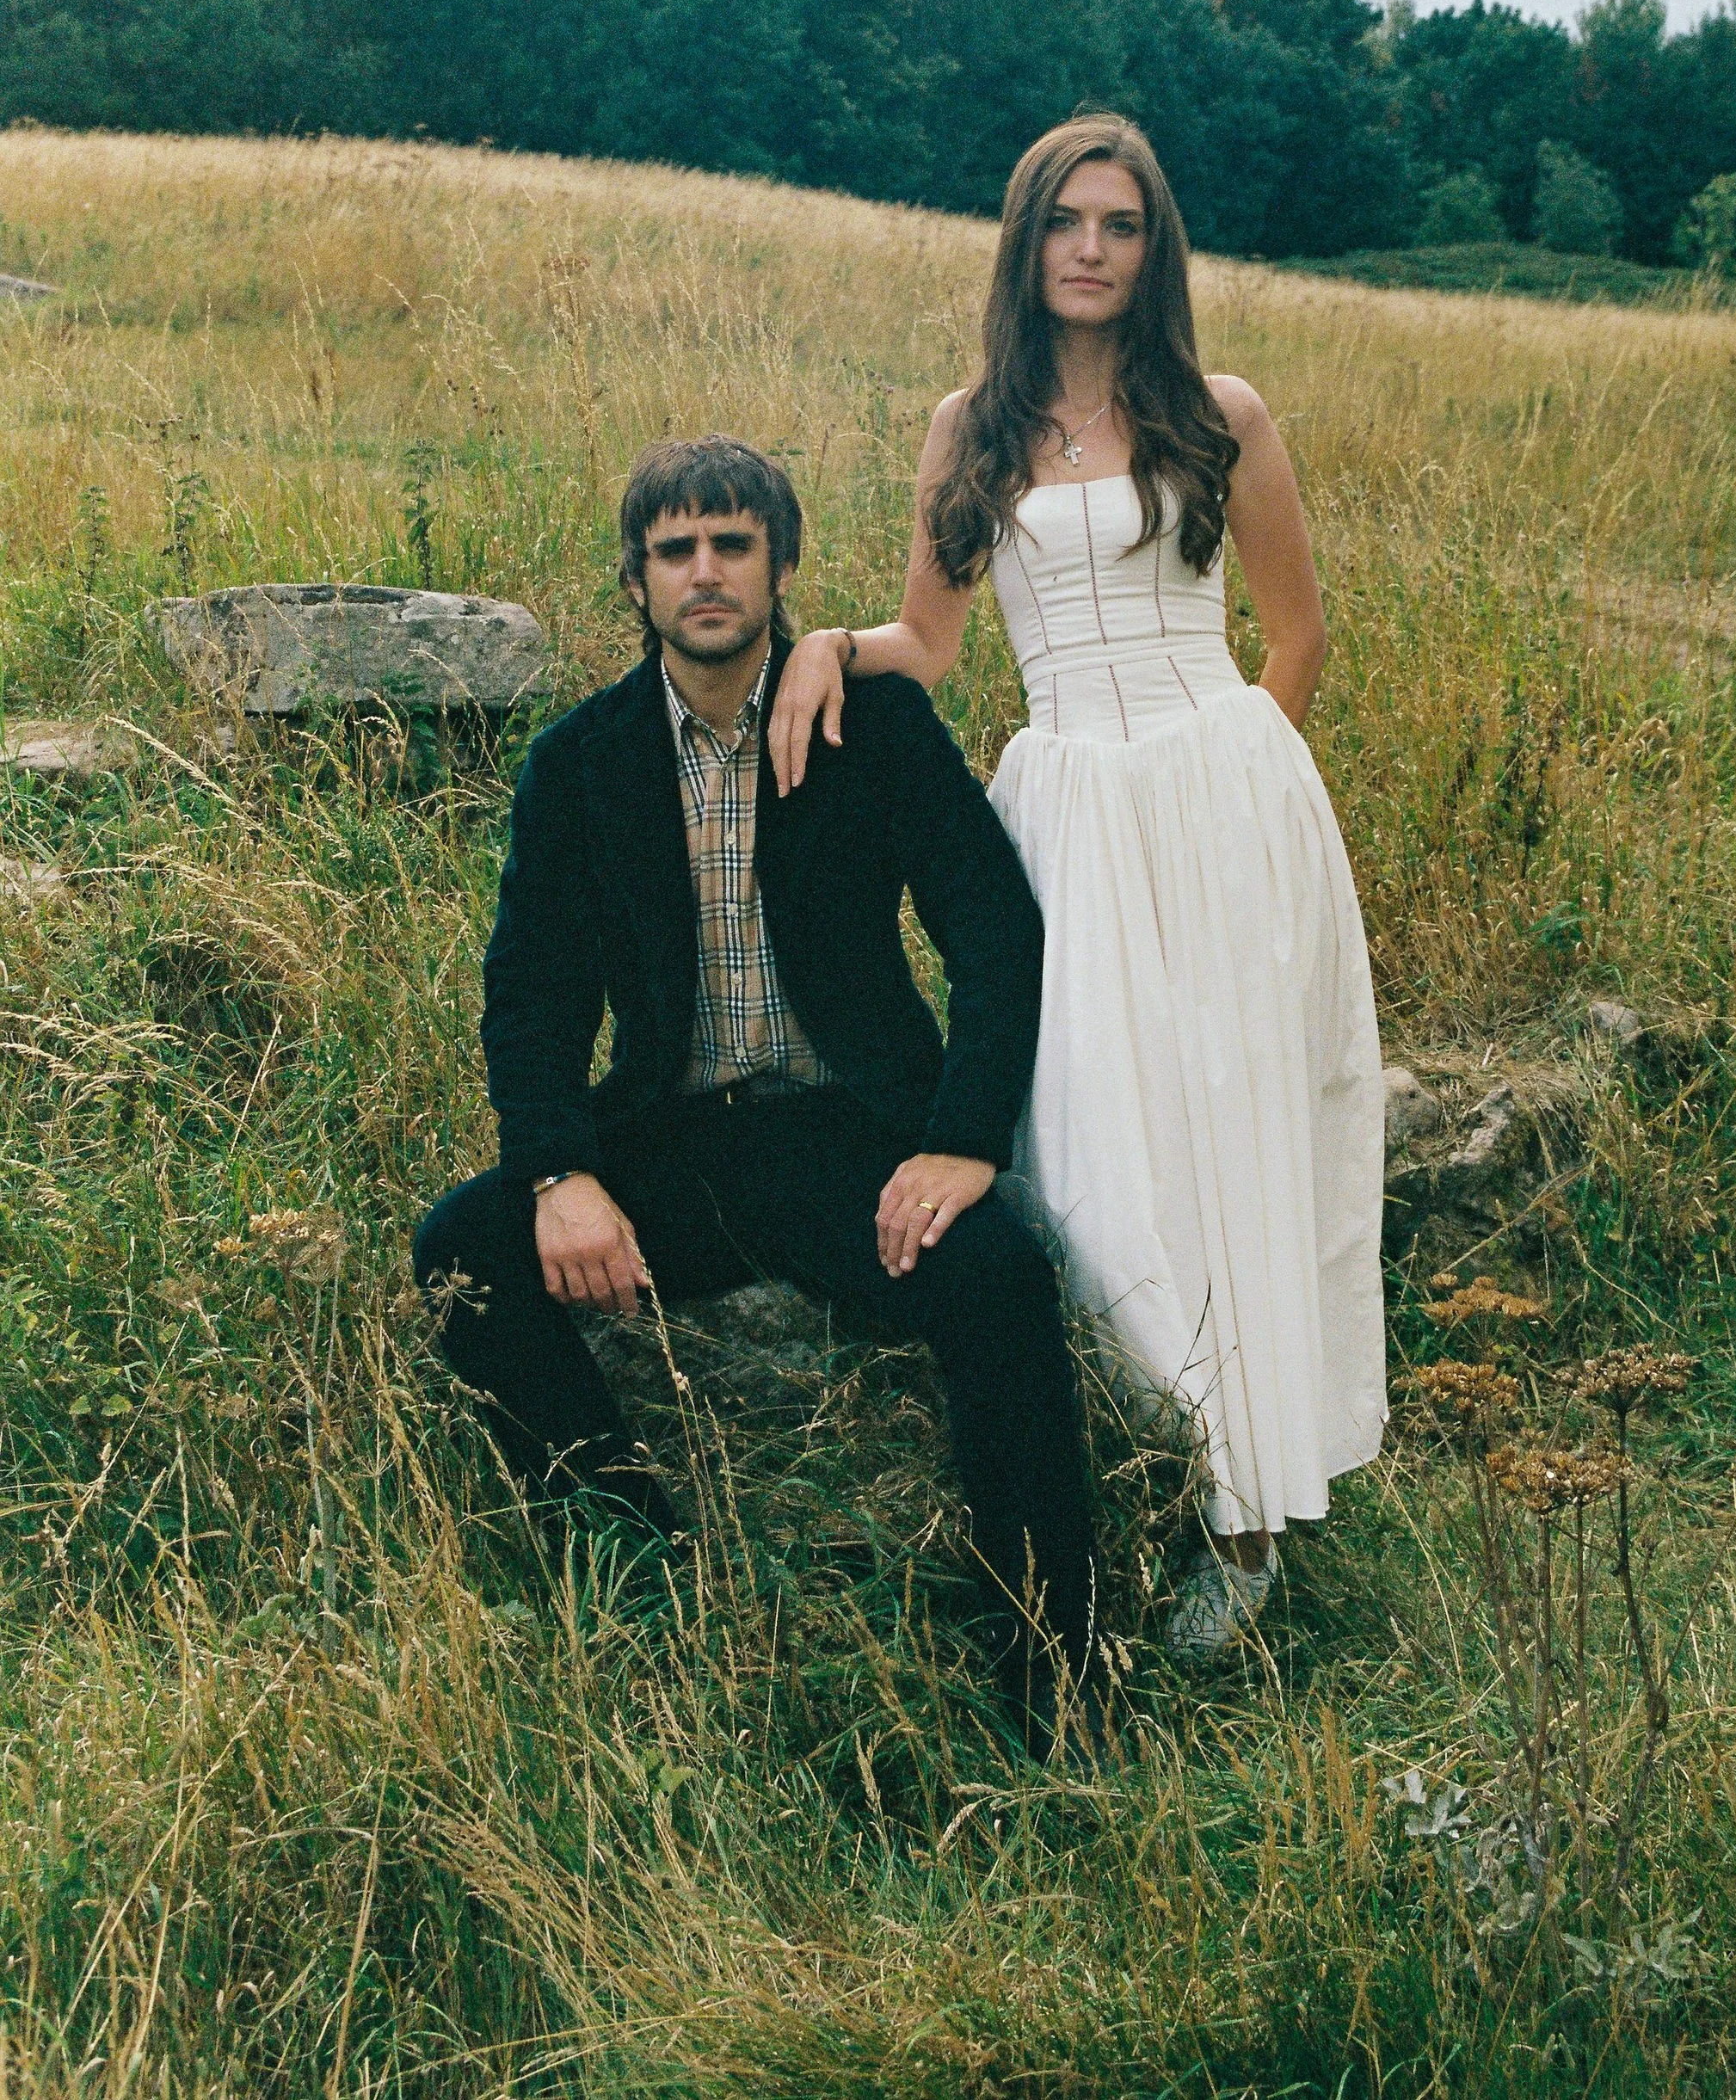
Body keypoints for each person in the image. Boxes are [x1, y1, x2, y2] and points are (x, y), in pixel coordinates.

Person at [769, 116, 1387, 1656]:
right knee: (1092, 1141)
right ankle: (1142, 1459)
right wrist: (815, 646)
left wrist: (1241, 786)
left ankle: (1248, 1523)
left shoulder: (1217, 410)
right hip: (1069, 808)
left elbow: (1299, 631)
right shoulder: (969, 425)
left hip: (1220, 795)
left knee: (1236, 1123)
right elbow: (930, 645)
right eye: (1067, 222)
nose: (1093, 250)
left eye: (1120, 224)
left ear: (1153, 247)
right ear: (1027, 242)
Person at [415, 434, 1096, 1730]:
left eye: (734, 545)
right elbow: (535, 989)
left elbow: (995, 927)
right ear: (636, 583)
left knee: (1002, 1282)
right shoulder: (582, 761)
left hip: (856, 1139)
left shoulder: (873, 723)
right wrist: (560, 1174)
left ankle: (1053, 1684)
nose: (706, 573)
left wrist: (965, 1142)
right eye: (677, 551)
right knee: (465, 1250)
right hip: (672, 1139)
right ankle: (645, 1580)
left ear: (782, 568)